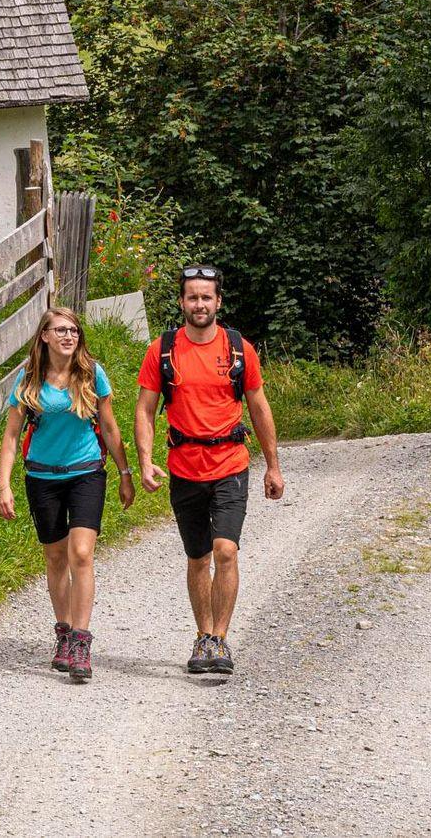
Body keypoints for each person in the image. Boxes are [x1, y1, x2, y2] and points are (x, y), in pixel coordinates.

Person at [134, 265, 286, 676]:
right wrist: (145, 461)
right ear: (181, 302)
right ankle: (203, 636)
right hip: (184, 468)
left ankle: (219, 637)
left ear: (218, 301)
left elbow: (259, 407)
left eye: (206, 297)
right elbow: (145, 410)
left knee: (226, 550)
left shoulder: (239, 350)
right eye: (192, 297)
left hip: (230, 465)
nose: (199, 304)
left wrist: (273, 466)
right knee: (198, 556)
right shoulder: (161, 351)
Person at [0, 306, 134, 682]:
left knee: (81, 554)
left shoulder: (91, 373)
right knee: (56, 557)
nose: (69, 336)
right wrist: (4, 484)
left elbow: (110, 427)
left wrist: (125, 474)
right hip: (42, 477)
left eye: (73, 330)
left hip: (86, 474)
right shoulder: (29, 378)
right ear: (44, 336)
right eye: (60, 330)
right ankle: (64, 633)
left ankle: (81, 642)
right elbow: (11, 436)